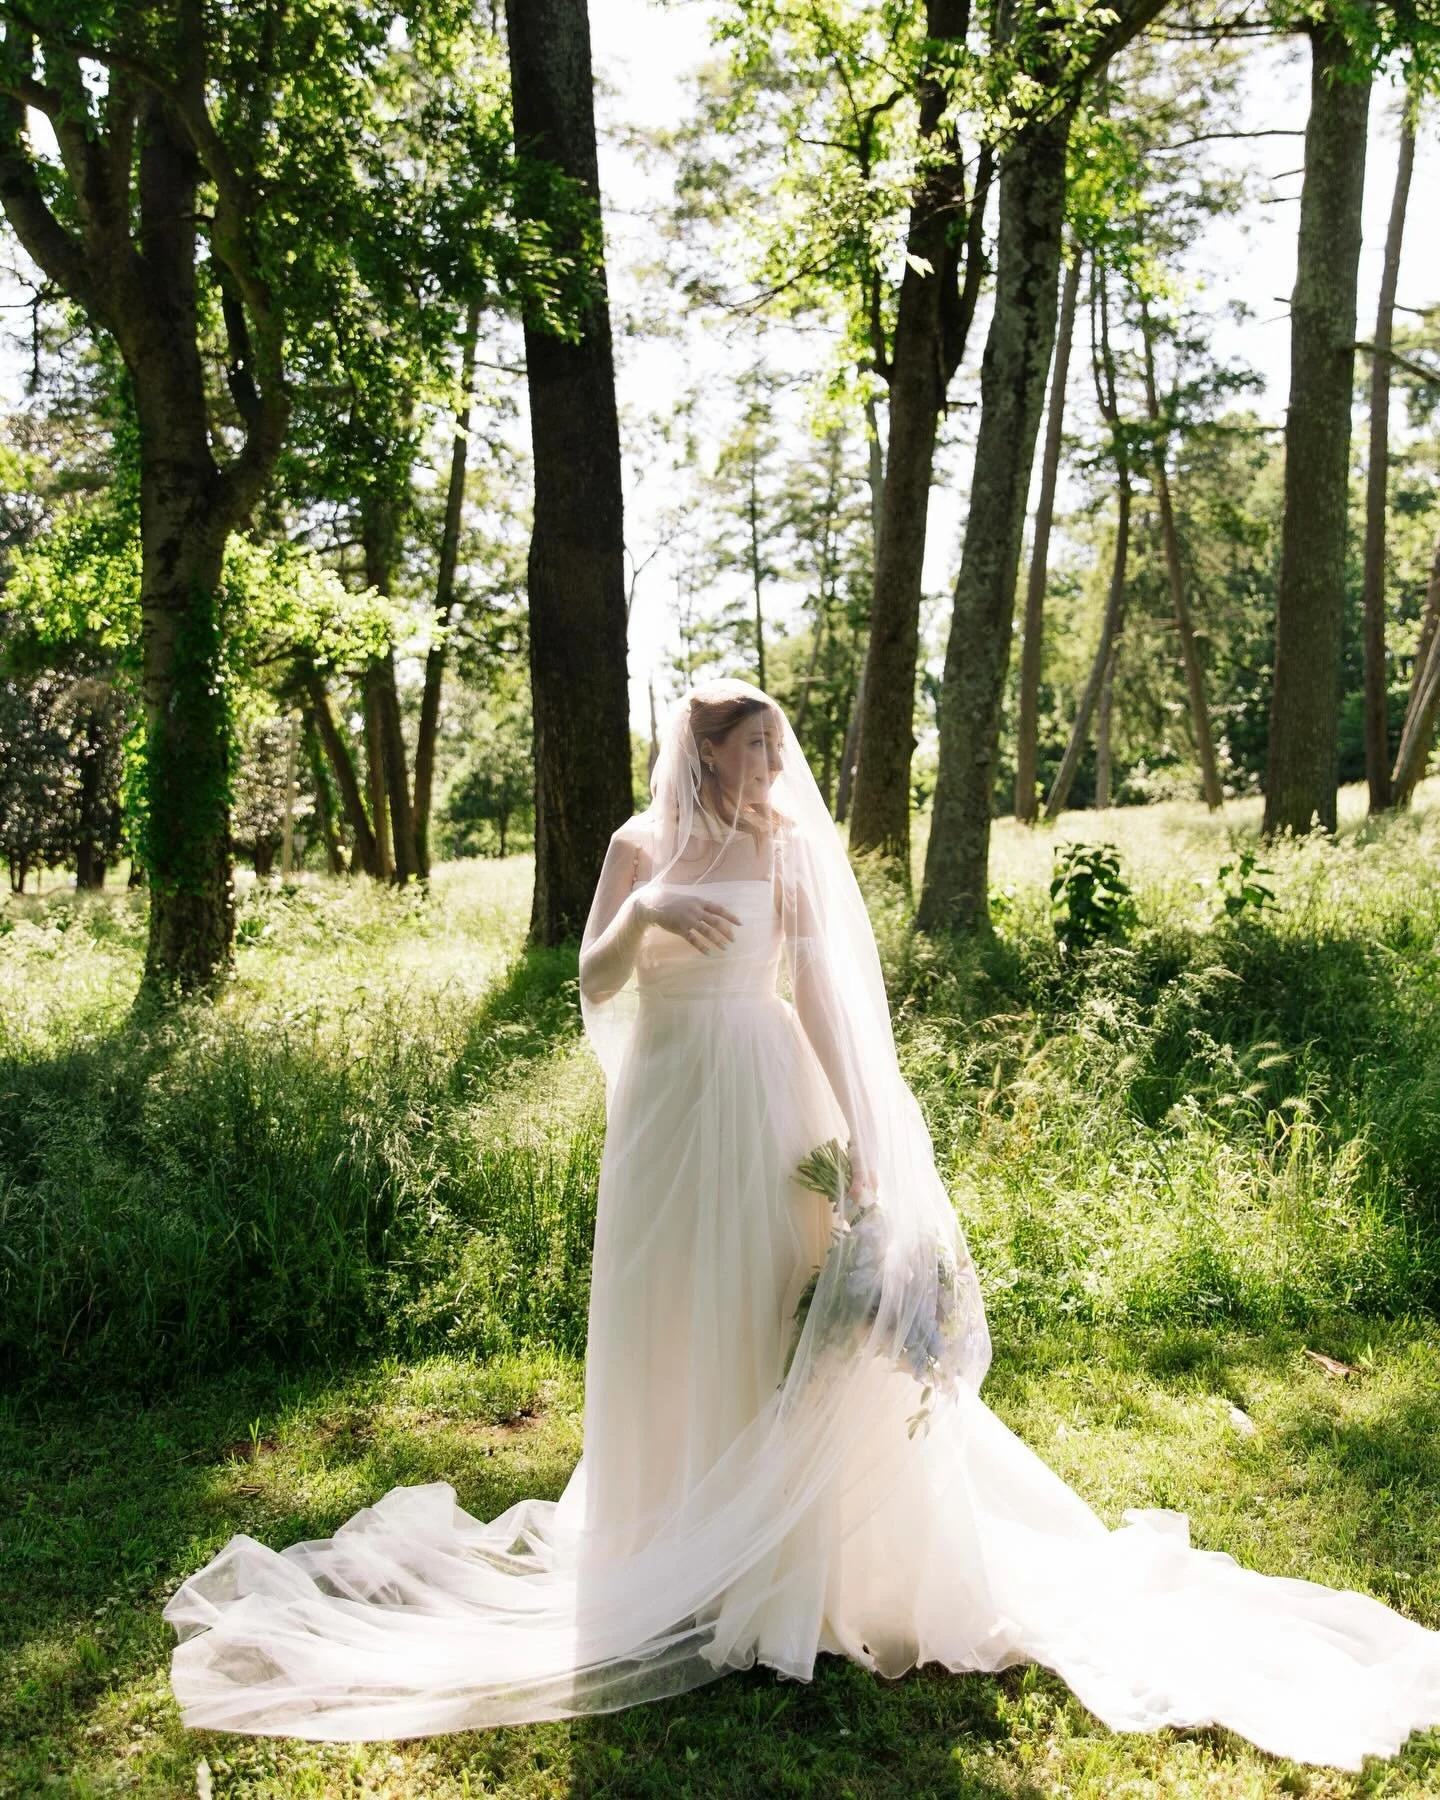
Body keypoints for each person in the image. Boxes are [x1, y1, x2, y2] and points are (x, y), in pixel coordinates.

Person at [164, 678, 1440, 1769]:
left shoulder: (785, 847)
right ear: (702, 750)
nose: (776, 764)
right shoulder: (633, 847)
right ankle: (671, 1536)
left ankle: (801, 1566)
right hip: (667, 1111)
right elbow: (590, 979)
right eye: (756, 745)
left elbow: (826, 1003)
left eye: (779, 746)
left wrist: (872, 1149)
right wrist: (649, 912)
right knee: (675, 1309)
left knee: (784, 1312)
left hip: (773, 1099)